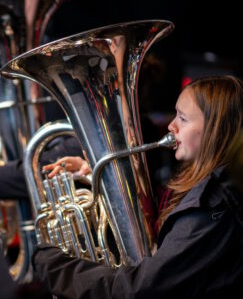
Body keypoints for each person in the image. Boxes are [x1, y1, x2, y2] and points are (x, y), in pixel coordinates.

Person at [31, 75, 243, 298]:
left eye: (182, 118)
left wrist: (55, 267)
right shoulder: (208, 186)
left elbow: (140, 289)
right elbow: (170, 211)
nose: (171, 125)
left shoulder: (211, 209)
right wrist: (102, 179)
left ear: (214, 129)